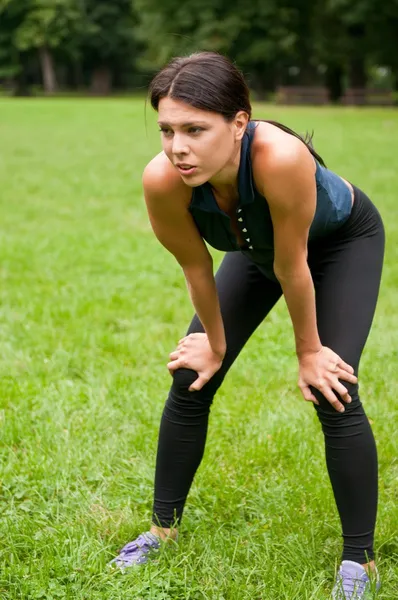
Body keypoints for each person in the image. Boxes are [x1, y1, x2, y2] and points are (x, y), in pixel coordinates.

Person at [109, 52, 384, 598]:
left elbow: (294, 265)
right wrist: (214, 344)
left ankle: (360, 562)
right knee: (191, 377)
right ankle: (161, 529)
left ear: (239, 122)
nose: (177, 147)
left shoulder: (280, 158)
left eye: (195, 129)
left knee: (334, 388)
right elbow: (196, 266)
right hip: (256, 250)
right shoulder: (164, 181)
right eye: (166, 129)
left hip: (337, 244)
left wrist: (308, 351)